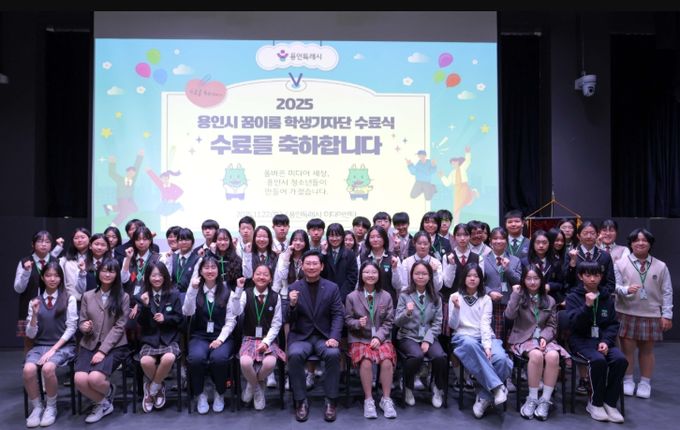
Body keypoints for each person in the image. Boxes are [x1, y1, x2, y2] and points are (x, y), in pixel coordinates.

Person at [614, 228, 673, 399]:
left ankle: (645, 382)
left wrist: (667, 314)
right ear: (631, 244)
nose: (640, 243)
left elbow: (667, 291)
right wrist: (626, 290)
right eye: (636, 240)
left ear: (650, 244)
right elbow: (615, 286)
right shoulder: (620, 263)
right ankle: (628, 380)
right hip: (626, 311)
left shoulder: (661, 266)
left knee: (647, 350)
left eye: (644, 240)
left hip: (651, 313)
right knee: (627, 350)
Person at [287, 250, 345, 422]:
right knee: (294, 354)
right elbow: (288, 319)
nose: (311, 267)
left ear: (321, 267)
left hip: (324, 337)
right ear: (302, 266)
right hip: (301, 337)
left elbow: (338, 314)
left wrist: (334, 337)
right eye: (308, 263)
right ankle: (300, 401)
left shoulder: (332, 287)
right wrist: (292, 305)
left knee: (333, 354)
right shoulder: (293, 288)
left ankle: (331, 401)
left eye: (315, 264)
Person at [504, 266, 569, 420]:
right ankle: (532, 398)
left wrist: (544, 338)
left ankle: (545, 400)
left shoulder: (549, 300)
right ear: (523, 280)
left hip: (544, 339)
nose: (532, 282)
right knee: (537, 355)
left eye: (536, 278)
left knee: (553, 356)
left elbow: (552, 325)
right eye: (528, 279)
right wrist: (515, 294)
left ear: (541, 280)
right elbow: (509, 316)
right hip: (523, 338)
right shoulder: (519, 296)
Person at [566, 261, 627, 423]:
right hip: (580, 341)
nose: (593, 279)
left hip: (602, 341)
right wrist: (587, 306)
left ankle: (610, 402)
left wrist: (606, 341)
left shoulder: (607, 297)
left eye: (596, 275)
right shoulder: (573, 297)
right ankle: (595, 402)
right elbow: (573, 325)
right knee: (598, 360)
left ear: (601, 277)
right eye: (588, 275)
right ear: (580, 276)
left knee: (620, 360)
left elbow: (612, 324)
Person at [449, 263, 512, 419]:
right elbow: (453, 325)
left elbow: (485, 324)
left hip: (485, 336)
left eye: (476, 276)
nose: (472, 279)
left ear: (480, 279)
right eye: (469, 276)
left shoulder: (486, 299)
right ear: (463, 278)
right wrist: (456, 308)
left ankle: (484, 397)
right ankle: (497, 388)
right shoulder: (454, 296)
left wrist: (488, 346)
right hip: (463, 337)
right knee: (469, 344)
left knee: (502, 359)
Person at [183, 255, 241, 414]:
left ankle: (219, 392)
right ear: (200, 271)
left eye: (213, 267)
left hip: (222, 336)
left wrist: (220, 340)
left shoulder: (227, 292)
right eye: (206, 268)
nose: (210, 271)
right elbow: (187, 311)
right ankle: (200, 393)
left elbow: (231, 320)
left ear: (218, 270)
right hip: (200, 336)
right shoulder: (195, 289)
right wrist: (192, 290)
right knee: (196, 358)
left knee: (219, 359)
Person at [74, 258, 130, 423]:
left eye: (111, 271)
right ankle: (103, 403)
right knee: (79, 379)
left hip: (114, 346)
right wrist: (85, 327)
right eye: (104, 270)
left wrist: (102, 351)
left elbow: (119, 327)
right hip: (89, 343)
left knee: (95, 379)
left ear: (117, 274)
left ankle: (105, 394)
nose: (107, 274)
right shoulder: (87, 296)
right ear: (98, 273)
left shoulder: (123, 297)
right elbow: (82, 321)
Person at [23, 261, 78, 428]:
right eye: (48, 275)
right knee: (28, 369)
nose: (52, 279)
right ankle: (37, 407)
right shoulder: (35, 301)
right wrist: (34, 315)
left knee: (48, 368)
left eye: (56, 276)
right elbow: (30, 334)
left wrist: (53, 350)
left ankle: (51, 407)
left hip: (63, 346)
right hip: (40, 346)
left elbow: (71, 328)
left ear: (61, 278)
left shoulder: (69, 299)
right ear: (42, 278)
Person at [345, 261, 398, 419]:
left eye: (374, 272)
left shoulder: (386, 296)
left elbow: (389, 321)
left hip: (381, 338)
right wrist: (357, 323)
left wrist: (379, 337)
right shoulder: (352, 297)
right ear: (361, 275)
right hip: (359, 337)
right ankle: (368, 400)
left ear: (379, 275)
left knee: (387, 360)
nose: (370, 275)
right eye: (366, 272)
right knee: (366, 361)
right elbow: (347, 320)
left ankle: (386, 399)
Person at [394, 262, 447, 408]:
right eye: (417, 273)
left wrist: (428, 340)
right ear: (412, 275)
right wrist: (407, 313)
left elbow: (437, 323)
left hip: (428, 335)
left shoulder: (436, 297)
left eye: (424, 274)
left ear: (429, 276)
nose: (421, 276)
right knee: (416, 356)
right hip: (408, 335)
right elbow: (397, 321)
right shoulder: (405, 295)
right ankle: (408, 386)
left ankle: (437, 387)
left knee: (440, 357)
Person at [135, 261, 183, 413]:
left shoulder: (174, 294)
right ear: (148, 277)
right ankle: (159, 386)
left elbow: (180, 319)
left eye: (160, 275)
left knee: (169, 358)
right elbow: (141, 322)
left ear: (165, 276)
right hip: (149, 338)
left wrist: (165, 319)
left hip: (169, 338)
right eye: (153, 275)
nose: (157, 278)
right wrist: (145, 306)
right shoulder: (142, 296)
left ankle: (151, 389)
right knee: (145, 361)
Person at [236, 265, 285, 410]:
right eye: (258, 274)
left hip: (268, 338)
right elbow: (236, 311)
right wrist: (238, 290)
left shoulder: (276, 297)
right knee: (245, 362)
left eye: (265, 274)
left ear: (270, 279)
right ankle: (257, 388)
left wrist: (266, 342)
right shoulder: (246, 293)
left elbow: (277, 324)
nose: (261, 277)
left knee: (270, 363)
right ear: (253, 277)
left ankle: (251, 384)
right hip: (249, 337)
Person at [14, 231, 60, 351]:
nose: (44, 244)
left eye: (47, 242)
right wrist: (26, 272)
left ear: (51, 245)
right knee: (29, 342)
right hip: (29, 308)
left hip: (52, 307)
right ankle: (29, 363)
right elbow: (18, 289)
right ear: (33, 244)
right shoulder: (24, 262)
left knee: (52, 342)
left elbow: (61, 286)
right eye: (40, 241)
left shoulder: (56, 261)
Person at [482, 227, 522, 343]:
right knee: (494, 338)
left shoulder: (515, 260)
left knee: (509, 338)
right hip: (490, 303)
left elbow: (519, 282)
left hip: (510, 303)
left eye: (502, 238)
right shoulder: (483, 260)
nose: (498, 241)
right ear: (490, 241)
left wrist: (508, 269)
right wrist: (489, 292)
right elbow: (479, 283)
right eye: (495, 238)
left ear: (506, 241)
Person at [357, 225, 404, 305]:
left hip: (388, 302)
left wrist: (394, 268)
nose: (375, 240)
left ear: (384, 238)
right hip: (366, 302)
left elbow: (398, 286)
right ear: (368, 239)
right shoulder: (361, 257)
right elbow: (358, 282)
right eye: (372, 237)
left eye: (379, 237)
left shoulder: (393, 258)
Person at [523, 229, 566, 305]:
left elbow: (560, 284)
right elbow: (521, 282)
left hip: (551, 300)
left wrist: (550, 286)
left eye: (544, 242)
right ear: (532, 244)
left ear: (549, 244)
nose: (541, 245)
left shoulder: (556, 262)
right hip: (529, 301)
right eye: (538, 242)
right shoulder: (525, 262)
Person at [103, 149, 144, 226]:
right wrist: (112, 162)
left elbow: (137, 167)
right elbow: (112, 173)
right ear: (127, 172)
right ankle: (113, 225)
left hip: (130, 199)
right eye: (130, 172)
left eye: (133, 173)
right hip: (122, 198)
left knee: (134, 209)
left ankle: (109, 207)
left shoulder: (133, 180)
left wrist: (140, 156)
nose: (132, 174)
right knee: (124, 212)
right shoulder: (120, 179)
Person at [438, 146, 478, 224]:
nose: (453, 164)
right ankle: (456, 224)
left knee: (468, 202)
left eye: (455, 162)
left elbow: (468, 161)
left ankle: (473, 193)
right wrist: (442, 176)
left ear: (458, 163)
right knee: (456, 208)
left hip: (464, 187)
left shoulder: (462, 168)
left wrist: (467, 152)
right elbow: (447, 183)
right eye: (452, 163)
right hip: (456, 190)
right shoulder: (452, 173)